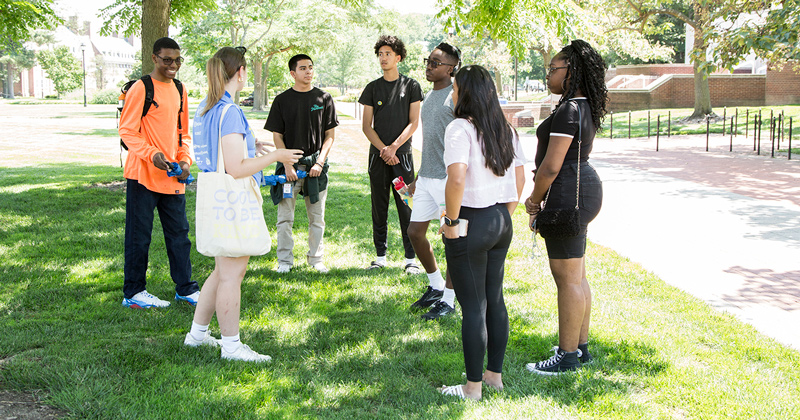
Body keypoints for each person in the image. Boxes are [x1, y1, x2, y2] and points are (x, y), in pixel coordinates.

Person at [185, 46, 302, 362]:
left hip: (213, 197)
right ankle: (232, 346)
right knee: (231, 275)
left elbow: (222, 153)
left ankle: (196, 335)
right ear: (240, 73)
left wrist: (254, 144)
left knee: (221, 270)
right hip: (231, 202)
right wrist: (275, 155)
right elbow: (236, 168)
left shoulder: (205, 108)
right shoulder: (231, 112)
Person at [438, 65, 526, 400]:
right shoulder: (505, 129)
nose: (452, 93)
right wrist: (502, 215)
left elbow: (457, 178)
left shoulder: (460, 128)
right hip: (501, 220)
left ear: (466, 94)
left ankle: (472, 388)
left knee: (473, 305)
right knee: (495, 300)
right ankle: (494, 377)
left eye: (456, 88)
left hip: (470, 221)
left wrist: (451, 222)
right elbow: (519, 181)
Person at [524, 40, 607, 375]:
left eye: (553, 69)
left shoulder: (569, 109)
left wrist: (533, 201)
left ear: (570, 72)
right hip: (581, 191)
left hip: (567, 195)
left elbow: (550, 166)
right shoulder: (581, 106)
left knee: (567, 279)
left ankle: (567, 355)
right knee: (578, 276)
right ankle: (580, 348)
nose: (548, 74)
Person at [119, 37, 199, 309]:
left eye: (177, 60)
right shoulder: (142, 88)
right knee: (139, 236)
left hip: (172, 176)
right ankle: (134, 292)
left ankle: (186, 289)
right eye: (167, 60)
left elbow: (183, 132)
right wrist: (152, 154)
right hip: (142, 175)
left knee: (179, 234)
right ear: (154, 58)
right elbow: (127, 131)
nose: (173, 65)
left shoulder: (180, 88)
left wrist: (185, 161)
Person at [264, 54, 338, 274]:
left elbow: (330, 135)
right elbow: (277, 136)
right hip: (289, 168)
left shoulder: (324, 98)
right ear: (293, 73)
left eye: (311, 68)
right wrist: (286, 164)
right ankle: (285, 262)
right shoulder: (282, 100)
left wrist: (320, 162)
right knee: (284, 218)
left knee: (317, 218)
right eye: (303, 68)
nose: (308, 72)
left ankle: (316, 259)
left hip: (316, 168)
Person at [359, 35, 423, 273]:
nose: (383, 58)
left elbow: (414, 123)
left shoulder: (412, 86)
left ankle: (410, 260)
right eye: (380, 54)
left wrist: (394, 147)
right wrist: (384, 150)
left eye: (388, 54)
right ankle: (380, 256)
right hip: (378, 159)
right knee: (379, 205)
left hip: (401, 158)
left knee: (406, 205)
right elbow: (367, 125)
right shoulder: (372, 88)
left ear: (398, 57)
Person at [407, 43, 460, 320]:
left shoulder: (456, 96)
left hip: (448, 180)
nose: (429, 66)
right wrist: (417, 177)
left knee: (453, 240)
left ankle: (449, 301)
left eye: (435, 63)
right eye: (428, 61)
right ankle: (436, 286)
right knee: (415, 233)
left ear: (451, 69)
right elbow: (430, 143)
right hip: (427, 178)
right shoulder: (429, 96)